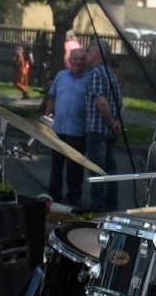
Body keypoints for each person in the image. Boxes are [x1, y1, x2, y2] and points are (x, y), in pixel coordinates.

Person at [44, 48, 89, 206]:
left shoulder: (89, 79)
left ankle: (73, 198)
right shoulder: (61, 76)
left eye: (82, 60)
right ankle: (53, 195)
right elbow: (51, 99)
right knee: (56, 165)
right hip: (58, 128)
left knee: (75, 167)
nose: (79, 62)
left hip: (77, 130)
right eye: (76, 59)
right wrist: (47, 120)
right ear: (70, 60)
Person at [84, 38, 123, 212]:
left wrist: (110, 122)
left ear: (98, 54)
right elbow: (121, 104)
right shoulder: (112, 74)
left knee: (97, 169)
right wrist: (117, 123)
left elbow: (101, 102)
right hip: (111, 131)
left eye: (89, 50)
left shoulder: (97, 73)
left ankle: (97, 206)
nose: (87, 53)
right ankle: (111, 203)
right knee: (110, 168)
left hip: (98, 129)